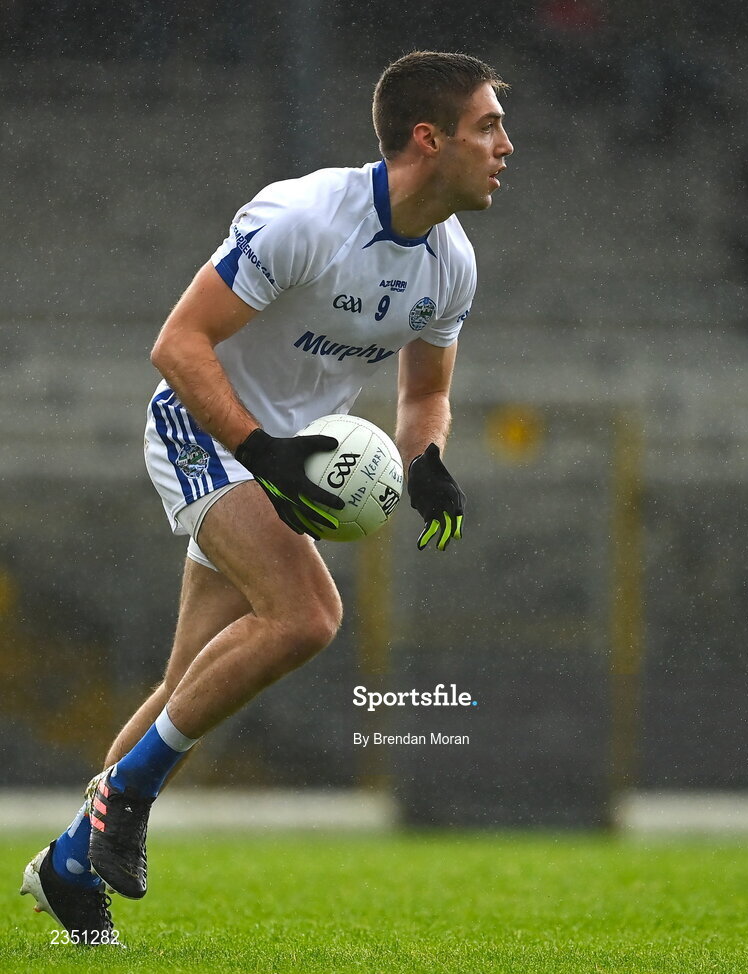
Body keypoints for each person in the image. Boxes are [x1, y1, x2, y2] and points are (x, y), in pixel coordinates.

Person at [20, 50, 513, 942]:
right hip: (207, 430)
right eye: (487, 126)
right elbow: (178, 345)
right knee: (307, 615)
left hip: (286, 463)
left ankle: (65, 861)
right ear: (426, 138)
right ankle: (124, 802)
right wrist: (258, 449)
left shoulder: (454, 265)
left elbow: (423, 394)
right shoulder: (306, 217)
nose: (504, 146)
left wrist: (428, 457)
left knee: (187, 684)